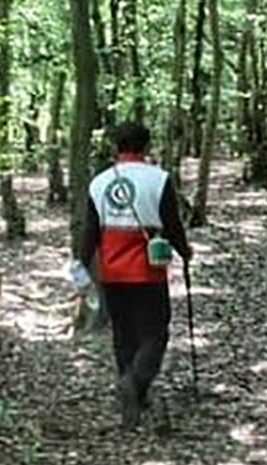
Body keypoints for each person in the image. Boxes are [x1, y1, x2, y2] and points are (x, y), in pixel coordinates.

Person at [78, 121, 192, 428]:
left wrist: (81, 264)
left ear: (116, 147)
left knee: (123, 332)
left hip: (112, 270)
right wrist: (185, 251)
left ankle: (132, 392)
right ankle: (135, 382)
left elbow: (90, 230)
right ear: (147, 146)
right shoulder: (159, 179)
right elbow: (172, 222)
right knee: (156, 331)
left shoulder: (99, 182)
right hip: (148, 270)